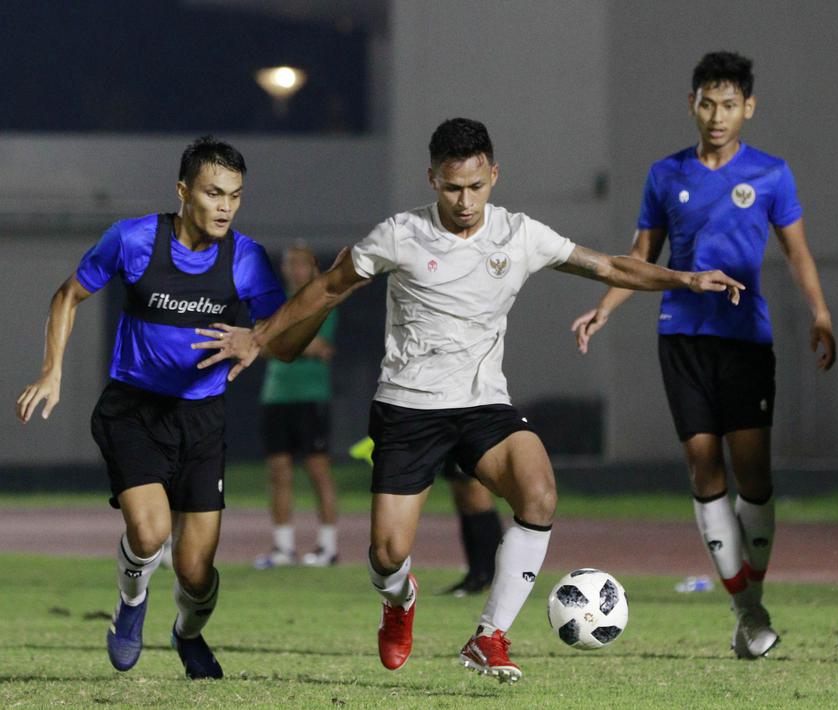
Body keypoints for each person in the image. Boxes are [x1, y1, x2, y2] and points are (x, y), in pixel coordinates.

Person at [192, 117, 744, 684]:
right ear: (432, 178)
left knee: (539, 493)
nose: (465, 200)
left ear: (494, 176)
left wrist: (684, 278)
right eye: (453, 187)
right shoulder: (400, 234)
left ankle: (489, 637)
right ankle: (399, 600)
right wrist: (257, 338)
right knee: (386, 555)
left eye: (476, 186)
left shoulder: (519, 234)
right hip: (408, 407)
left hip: (483, 405)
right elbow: (329, 286)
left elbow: (607, 264)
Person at [14, 136, 327, 679]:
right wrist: (52, 369)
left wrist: (315, 303)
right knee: (150, 533)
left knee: (195, 571)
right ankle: (131, 603)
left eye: (235, 195)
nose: (225, 206)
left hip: (202, 421)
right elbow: (68, 295)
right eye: (213, 193)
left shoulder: (245, 258)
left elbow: (286, 342)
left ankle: (188, 633)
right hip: (133, 410)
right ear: (184, 192)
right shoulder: (133, 239)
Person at [570, 50, 836, 660]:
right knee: (701, 467)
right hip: (682, 337)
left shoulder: (772, 174)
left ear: (749, 108)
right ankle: (748, 611)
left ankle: (752, 595)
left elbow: (797, 253)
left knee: (756, 477)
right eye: (707, 103)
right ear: (692, 104)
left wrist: (819, 312)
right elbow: (640, 257)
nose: (717, 116)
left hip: (745, 341)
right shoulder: (666, 175)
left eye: (729, 105)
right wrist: (604, 309)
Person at [255, 244, 340, 569]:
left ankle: (328, 547)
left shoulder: (323, 302)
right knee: (278, 472)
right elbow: (259, 344)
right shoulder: (273, 302)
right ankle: (283, 547)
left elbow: (319, 345)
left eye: (300, 264)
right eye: (290, 264)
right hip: (276, 396)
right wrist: (287, 342)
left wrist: (277, 339)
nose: (294, 270)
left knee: (319, 471)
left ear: (312, 267)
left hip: (311, 396)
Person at [351, 437, 503, 595]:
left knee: (475, 494)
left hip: (469, 426)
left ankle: (489, 575)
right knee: (462, 494)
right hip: (451, 427)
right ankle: (476, 574)